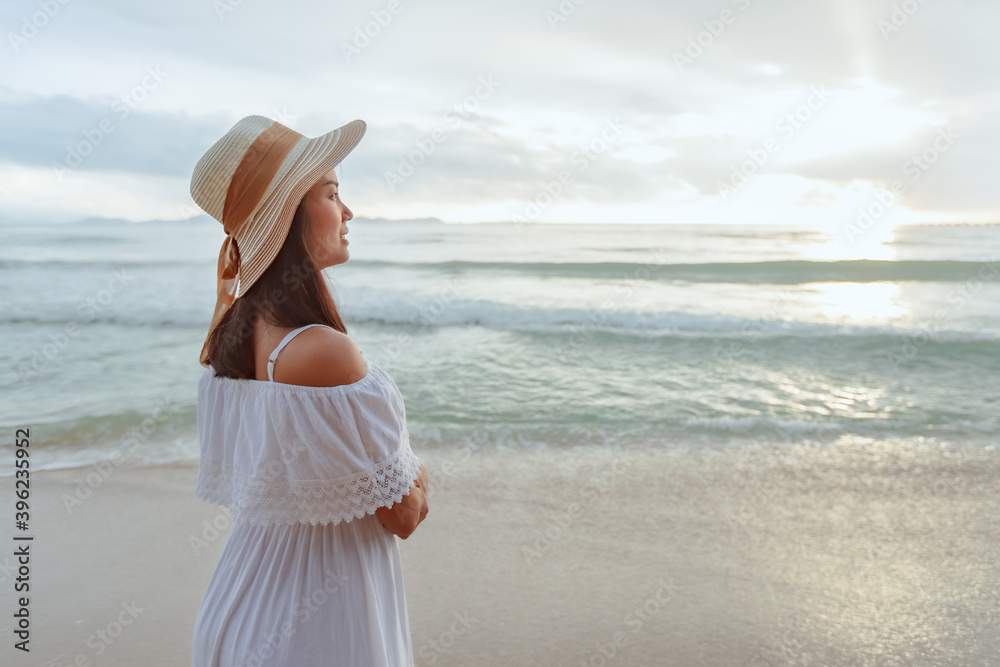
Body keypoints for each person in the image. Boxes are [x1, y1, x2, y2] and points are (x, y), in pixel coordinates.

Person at [188, 114, 429, 666]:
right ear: (289, 217)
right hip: (313, 630)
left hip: (241, 608)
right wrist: (415, 473)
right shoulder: (323, 352)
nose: (348, 212)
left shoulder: (234, 337)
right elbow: (404, 515)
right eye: (332, 193)